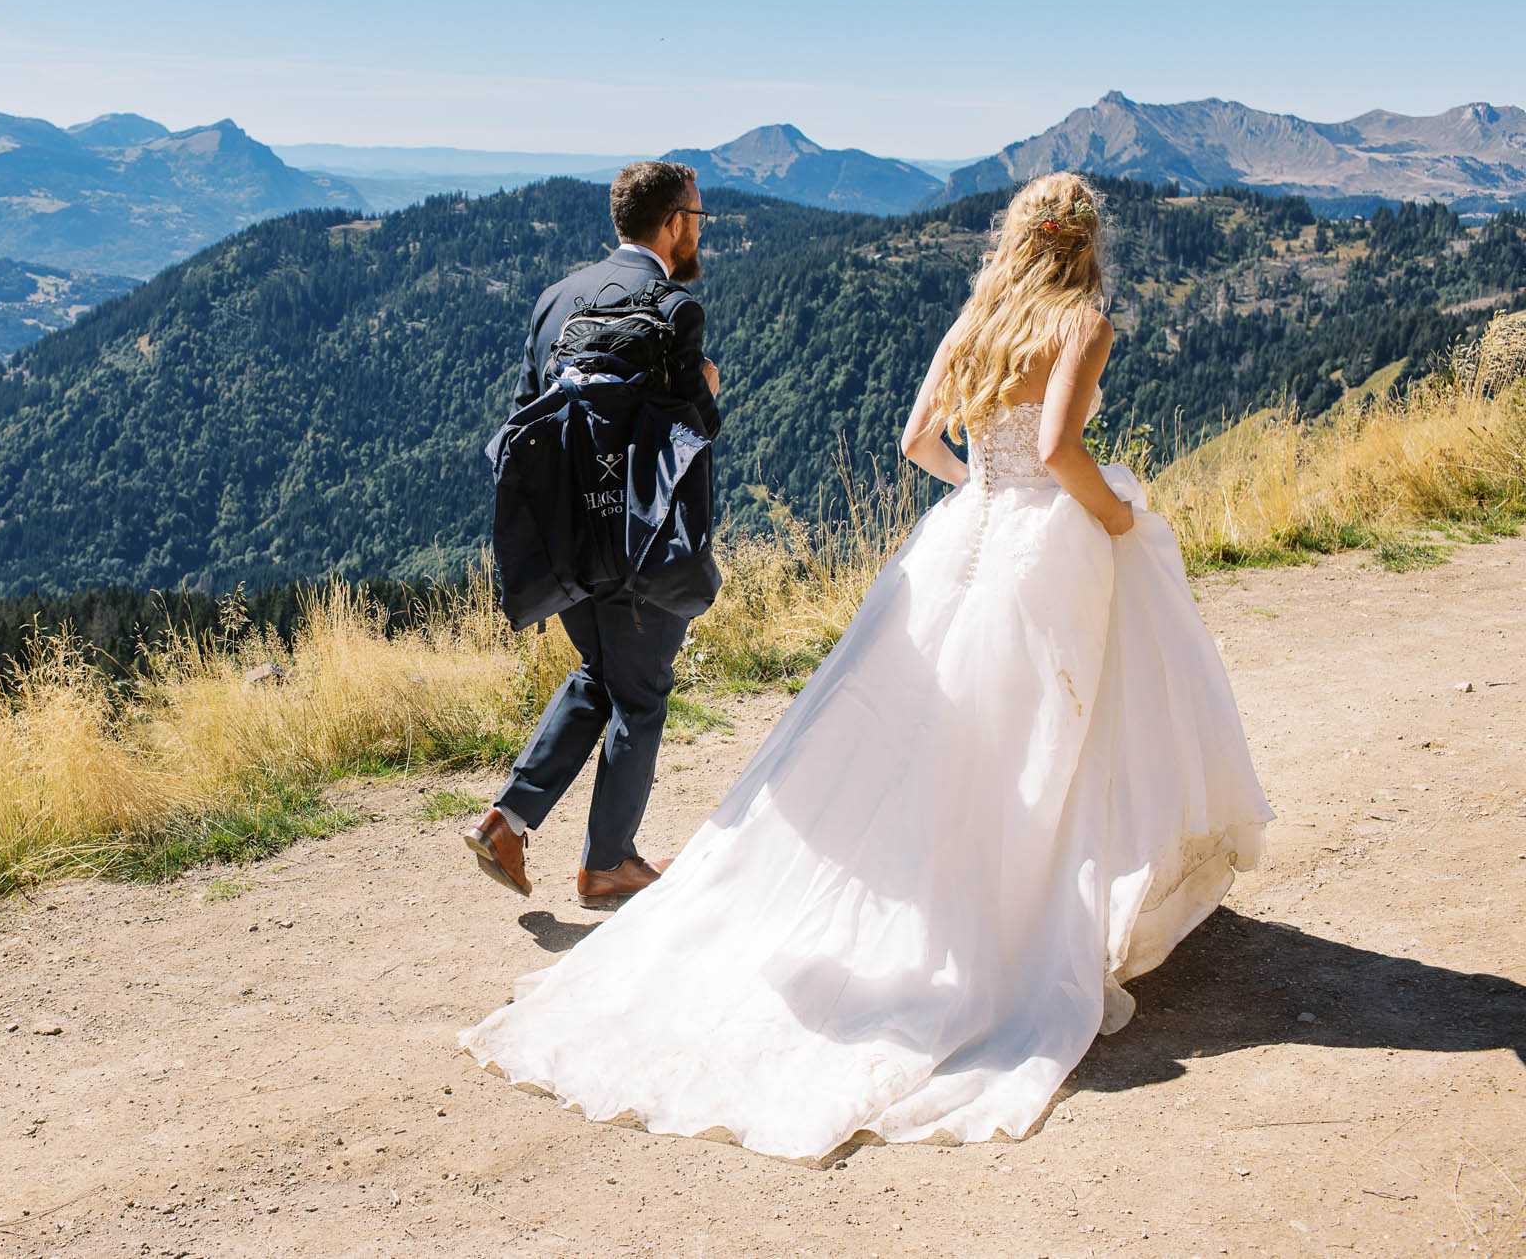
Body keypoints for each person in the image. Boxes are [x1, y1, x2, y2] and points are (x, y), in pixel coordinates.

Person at [460, 170, 1274, 1160]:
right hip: (1042, 537)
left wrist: (981, 486)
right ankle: (1033, 911)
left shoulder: (976, 324)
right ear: (1083, 243)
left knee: (938, 731)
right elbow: (1061, 446)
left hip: (960, 528)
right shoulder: (1081, 325)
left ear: (1016, 238)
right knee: (1055, 725)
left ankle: (945, 896)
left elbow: (916, 440)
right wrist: (1110, 513)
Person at [462, 160, 722, 909]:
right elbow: (685, 435)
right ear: (673, 223)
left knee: (598, 677)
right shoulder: (671, 308)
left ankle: (506, 822)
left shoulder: (555, 301)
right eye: (697, 218)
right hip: (640, 542)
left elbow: (525, 413)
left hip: (568, 541)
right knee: (640, 697)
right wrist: (705, 392)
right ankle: (607, 863)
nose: (697, 231)